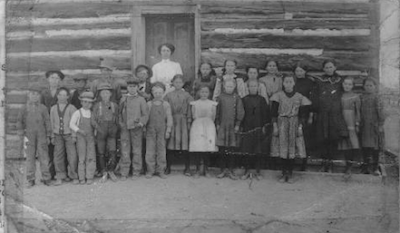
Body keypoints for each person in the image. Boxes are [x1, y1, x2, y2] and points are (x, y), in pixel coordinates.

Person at [270, 75, 311, 183]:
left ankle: (290, 173)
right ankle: (284, 173)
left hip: (294, 123)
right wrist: (275, 126)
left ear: (294, 83)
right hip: (282, 123)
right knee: (283, 149)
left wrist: (300, 127)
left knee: (292, 149)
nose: (288, 83)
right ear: (283, 83)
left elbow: (302, 115)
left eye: (290, 81)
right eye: (286, 82)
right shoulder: (277, 96)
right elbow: (273, 113)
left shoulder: (299, 97)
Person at [314, 60, 348, 172]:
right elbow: (315, 95)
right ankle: (324, 162)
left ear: (335, 67)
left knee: (334, 137)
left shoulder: (340, 81)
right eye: (326, 67)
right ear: (323, 69)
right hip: (322, 114)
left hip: (335, 114)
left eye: (330, 67)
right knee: (323, 137)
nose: (328, 69)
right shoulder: (319, 81)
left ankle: (332, 161)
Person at [17, 84, 52, 188]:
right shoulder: (24, 108)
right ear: (29, 95)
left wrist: (49, 135)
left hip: (41, 135)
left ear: (40, 96)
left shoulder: (43, 108)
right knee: (30, 158)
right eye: (33, 94)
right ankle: (30, 179)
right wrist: (20, 132)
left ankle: (46, 178)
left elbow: (47, 121)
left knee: (44, 157)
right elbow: (19, 121)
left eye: (37, 94)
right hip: (29, 136)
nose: (35, 96)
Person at [119, 77, 149, 180]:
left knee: (137, 150)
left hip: (137, 129)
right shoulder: (123, 99)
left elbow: (145, 114)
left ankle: (136, 171)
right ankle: (124, 172)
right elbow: (119, 113)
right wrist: (121, 124)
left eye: (134, 87)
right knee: (125, 150)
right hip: (125, 129)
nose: (132, 89)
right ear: (127, 87)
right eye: (130, 87)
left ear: (137, 88)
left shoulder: (141, 100)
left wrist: (141, 123)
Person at [164, 75, 194, 176]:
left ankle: (187, 167)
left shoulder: (187, 95)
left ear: (183, 84)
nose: (178, 84)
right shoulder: (168, 95)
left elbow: (190, 108)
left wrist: (189, 120)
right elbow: (165, 108)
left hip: (183, 121)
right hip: (172, 119)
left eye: (180, 82)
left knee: (185, 143)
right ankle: (168, 167)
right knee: (171, 143)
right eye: (176, 82)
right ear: (173, 83)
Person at [240, 79, 270, 180]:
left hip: (258, 128)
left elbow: (266, 115)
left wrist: (264, 127)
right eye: (251, 86)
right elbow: (241, 114)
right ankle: (246, 170)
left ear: (258, 87)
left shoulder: (262, 100)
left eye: (255, 86)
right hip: (247, 129)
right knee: (247, 150)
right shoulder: (244, 99)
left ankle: (258, 171)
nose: (253, 88)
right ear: (247, 88)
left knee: (258, 151)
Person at [215, 79, 245, 180]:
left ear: (234, 87)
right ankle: (223, 170)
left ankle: (231, 170)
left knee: (231, 149)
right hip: (223, 126)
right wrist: (218, 123)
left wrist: (237, 124)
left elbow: (240, 112)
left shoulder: (237, 98)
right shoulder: (220, 97)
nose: (229, 88)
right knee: (222, 149)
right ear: (224, 86)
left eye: (231, 86)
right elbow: (217, 112)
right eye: (227, 86)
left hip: (232, 126)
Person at [50, 87, 78, 186]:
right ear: (57, 96)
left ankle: (74, 175)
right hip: (57, 135)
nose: (62, 97)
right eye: (60, 95)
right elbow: (51, 123)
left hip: (69, 135)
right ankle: (60, 176)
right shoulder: (53, 108)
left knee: (72, 156)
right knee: (58, 156)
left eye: (64, 95)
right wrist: (52, 136)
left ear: (67, 96)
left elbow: (74, 123)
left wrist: (74, 135)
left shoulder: (71, 108)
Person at [92, 83, 119, 182]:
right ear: (100, 95)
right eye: (103, 93)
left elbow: (117, 118)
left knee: (112, 151)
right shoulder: (96, 106)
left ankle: (111, 170)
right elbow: (93, 120)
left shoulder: (114, 105)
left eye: (107, 93)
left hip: (112, 131)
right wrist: (98, 128)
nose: (105, 95)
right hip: (100, 131)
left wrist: (115, 129)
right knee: (101, 152)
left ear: (110, 94)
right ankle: (104, 171)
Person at [145, 82, 173, 179]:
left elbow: (169, 118)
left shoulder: (166, 105)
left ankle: (161, 170)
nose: (158, 95)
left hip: (162, 130)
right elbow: (146, 118)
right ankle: (150, 170)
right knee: (150, 150)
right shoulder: (148, 104)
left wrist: (168, 130)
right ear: (152, 93)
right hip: (150, 130)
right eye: (156, 93)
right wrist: (145, 129)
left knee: (161, 150)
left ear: (163, 93)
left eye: (160, 93)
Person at [189, 85, 218, 178]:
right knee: (198, 148)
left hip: (208, 126)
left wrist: (207, 122)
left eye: (206, 92)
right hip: (198, 126)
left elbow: (213, 117)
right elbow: (194, 115)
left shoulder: (213, 104)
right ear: (198, 93)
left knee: (207, 147)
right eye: (202, 92)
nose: (204, 94)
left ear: (209, 93)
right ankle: (198, 169)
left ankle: (206, 169)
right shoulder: (194, 104)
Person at [41, 70, 65, 179]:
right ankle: (50, 173)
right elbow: (40, 108)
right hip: (47, 123)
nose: (54, 80)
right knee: (49, 148)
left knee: (59, 148)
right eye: (52, 78)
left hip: (58, 122)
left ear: (59, 81)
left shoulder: (62, 92)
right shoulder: (44, 93)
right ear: (48, 79)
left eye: (57, 78)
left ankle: (61, 172)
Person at [69, 91, 96, 185]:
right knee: (82, 157)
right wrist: (79, 131)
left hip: (90, 138)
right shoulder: (77, 113)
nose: (87, 104)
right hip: (81, 137)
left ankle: (89, 176)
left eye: (89, 103)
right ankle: (81, 177)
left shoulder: (92, 113)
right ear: (81, 102)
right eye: (85, 102)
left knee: (91, 156)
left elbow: (94, 125)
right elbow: (71, 124)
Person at [360, 78, 385, 175]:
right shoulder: (361, 97)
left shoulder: (377, 98)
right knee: (365, 146)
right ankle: (365, 167)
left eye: (371, 85)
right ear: (363, 86)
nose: (369, 87)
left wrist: (380, 124)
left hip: (375, 126)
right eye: (367, 85)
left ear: (375, 87)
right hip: (364, 126)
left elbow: (381, 113)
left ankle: (375, 168)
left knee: (376, 147)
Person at [293, 63, 316, 171]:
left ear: (305, 72)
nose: (299, 73)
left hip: (305, 113)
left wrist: (311, 115)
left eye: (301, 71)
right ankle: (292, 161)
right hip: (292, 112)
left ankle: (304, 162)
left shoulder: (310, 82)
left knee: (304, 137)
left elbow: (312, 99)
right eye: (297, 71)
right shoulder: (292, 81)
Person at [338, 77, 361, 179]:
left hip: (351, 120)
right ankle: (347, 165)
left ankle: (350, 166)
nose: (347, 86)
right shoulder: (340, 96)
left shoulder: (356, 97)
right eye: (345, 84)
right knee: (344, 143)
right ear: (342, 84)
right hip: (341, 120)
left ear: (353, 86)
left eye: (349, 84)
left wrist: (357, 123)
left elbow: (358, 112)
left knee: (352, 142)